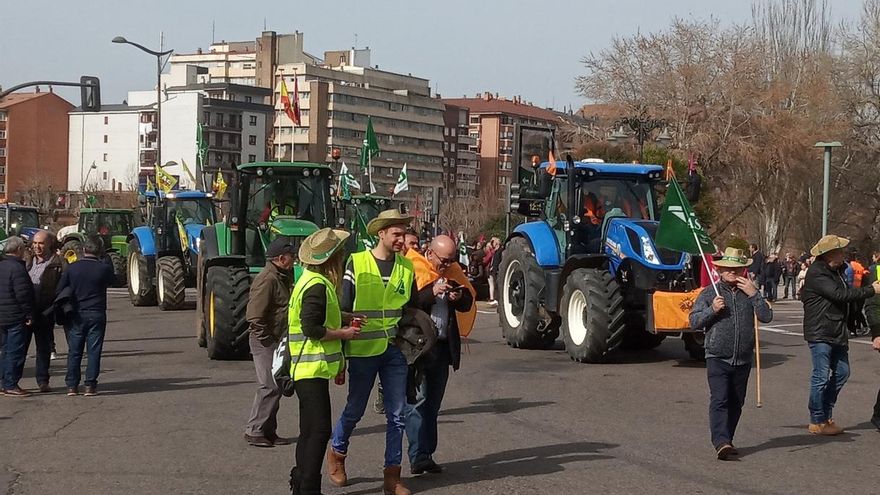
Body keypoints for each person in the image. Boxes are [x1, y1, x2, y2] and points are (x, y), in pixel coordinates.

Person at [328, 209, 421, 495]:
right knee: (355, 409)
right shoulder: (357, 263)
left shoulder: (406, 267)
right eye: (396, 234)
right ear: (381, 233)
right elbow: (344, 307)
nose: (401, 239)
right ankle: (337, 453)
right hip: (362, 350)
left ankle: (392, 477)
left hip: (394, 350)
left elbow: (412, 307)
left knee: (396, 415)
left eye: (404, 234)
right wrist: (342, 349)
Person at [287, 228, 361, 495]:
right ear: (332, 259)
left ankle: (300, 481)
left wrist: (345, 316)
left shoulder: (309, 280)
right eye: (339, 255)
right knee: (318, 431)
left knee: (308, 430)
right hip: (311, 367)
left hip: (305, 367)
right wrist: (344, 333)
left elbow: (319, 315)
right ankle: (308, 487)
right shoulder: (318, 285)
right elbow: (312, 328)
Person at [689, 248, 772, 460]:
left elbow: (766, 316)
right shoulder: (710, 293)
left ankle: (728, 438)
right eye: (728, 269)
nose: (733, 273)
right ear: (719, 269)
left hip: (743, 357)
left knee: (736, 401)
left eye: (737, 269)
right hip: (717, 355)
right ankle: (721, 441)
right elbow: (694, 322)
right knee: (720, 399)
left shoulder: (749, 291)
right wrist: (712, 310)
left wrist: (755, 294)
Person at [405, 235, 474, 474]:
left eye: (451, 260)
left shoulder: (453, 271)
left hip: (443, 347)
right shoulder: (412, 267)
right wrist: (432, 291)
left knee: (433, 403)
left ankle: (426, 454)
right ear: (430, 253)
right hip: (420, 347)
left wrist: (459, 296)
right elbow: (408, 302)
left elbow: (467, 302)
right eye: (443, 260)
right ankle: (417, 455)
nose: (447, 265)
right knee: (418, 402)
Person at [801, 235, 880, 435]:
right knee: (820, 375)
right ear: (827, 255)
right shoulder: (817, 273)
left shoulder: (837, 271)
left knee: (843, 372)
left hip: (836, 330)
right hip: (821, 330)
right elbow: (840, 295)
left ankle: (826, 414)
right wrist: (872, 290)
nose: (843, 255)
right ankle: (817, 419)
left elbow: (846, 296)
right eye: (839, 252)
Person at [244, 237, 297, 448]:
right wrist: (269, 341)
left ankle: (268, 431)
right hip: (265, 340)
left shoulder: (282, 276)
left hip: (276, 338)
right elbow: (254, 316)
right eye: (291, 256)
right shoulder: (267, 279)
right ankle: (254, 430)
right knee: (270, 385)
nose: (294, 259)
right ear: (281, 258)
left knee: (276, 385)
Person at [57, 236, 115, 396]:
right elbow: (113, 280)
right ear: (100, 251)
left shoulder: (72, 268)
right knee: (94, 350)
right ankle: (90, 385)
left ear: (83, 250)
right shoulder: (103, 268)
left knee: (74, 351)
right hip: (96, 312)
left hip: (76, 313)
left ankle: (71, 386)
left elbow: (60, 288)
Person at [27, 230, 63, 392]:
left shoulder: (58, 264)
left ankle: (42, 381)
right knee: (19, 348)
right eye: (35, 243)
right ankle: (10, 380)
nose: (37, 247)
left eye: (41, 243)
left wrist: (54, 308)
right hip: (26, 312)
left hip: (45, 312)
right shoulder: (26, 261)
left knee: (43, 348)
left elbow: (62, 288)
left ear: (49, 244)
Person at [0, 237, 35, 396]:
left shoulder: (1, 266)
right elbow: (23, 294)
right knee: (15, 352)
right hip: (15, 316)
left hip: (2, 316)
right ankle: (10, 384)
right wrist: (29, 314)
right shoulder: (18, 269)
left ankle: (3, 382)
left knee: (4, 351)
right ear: (19, 250)